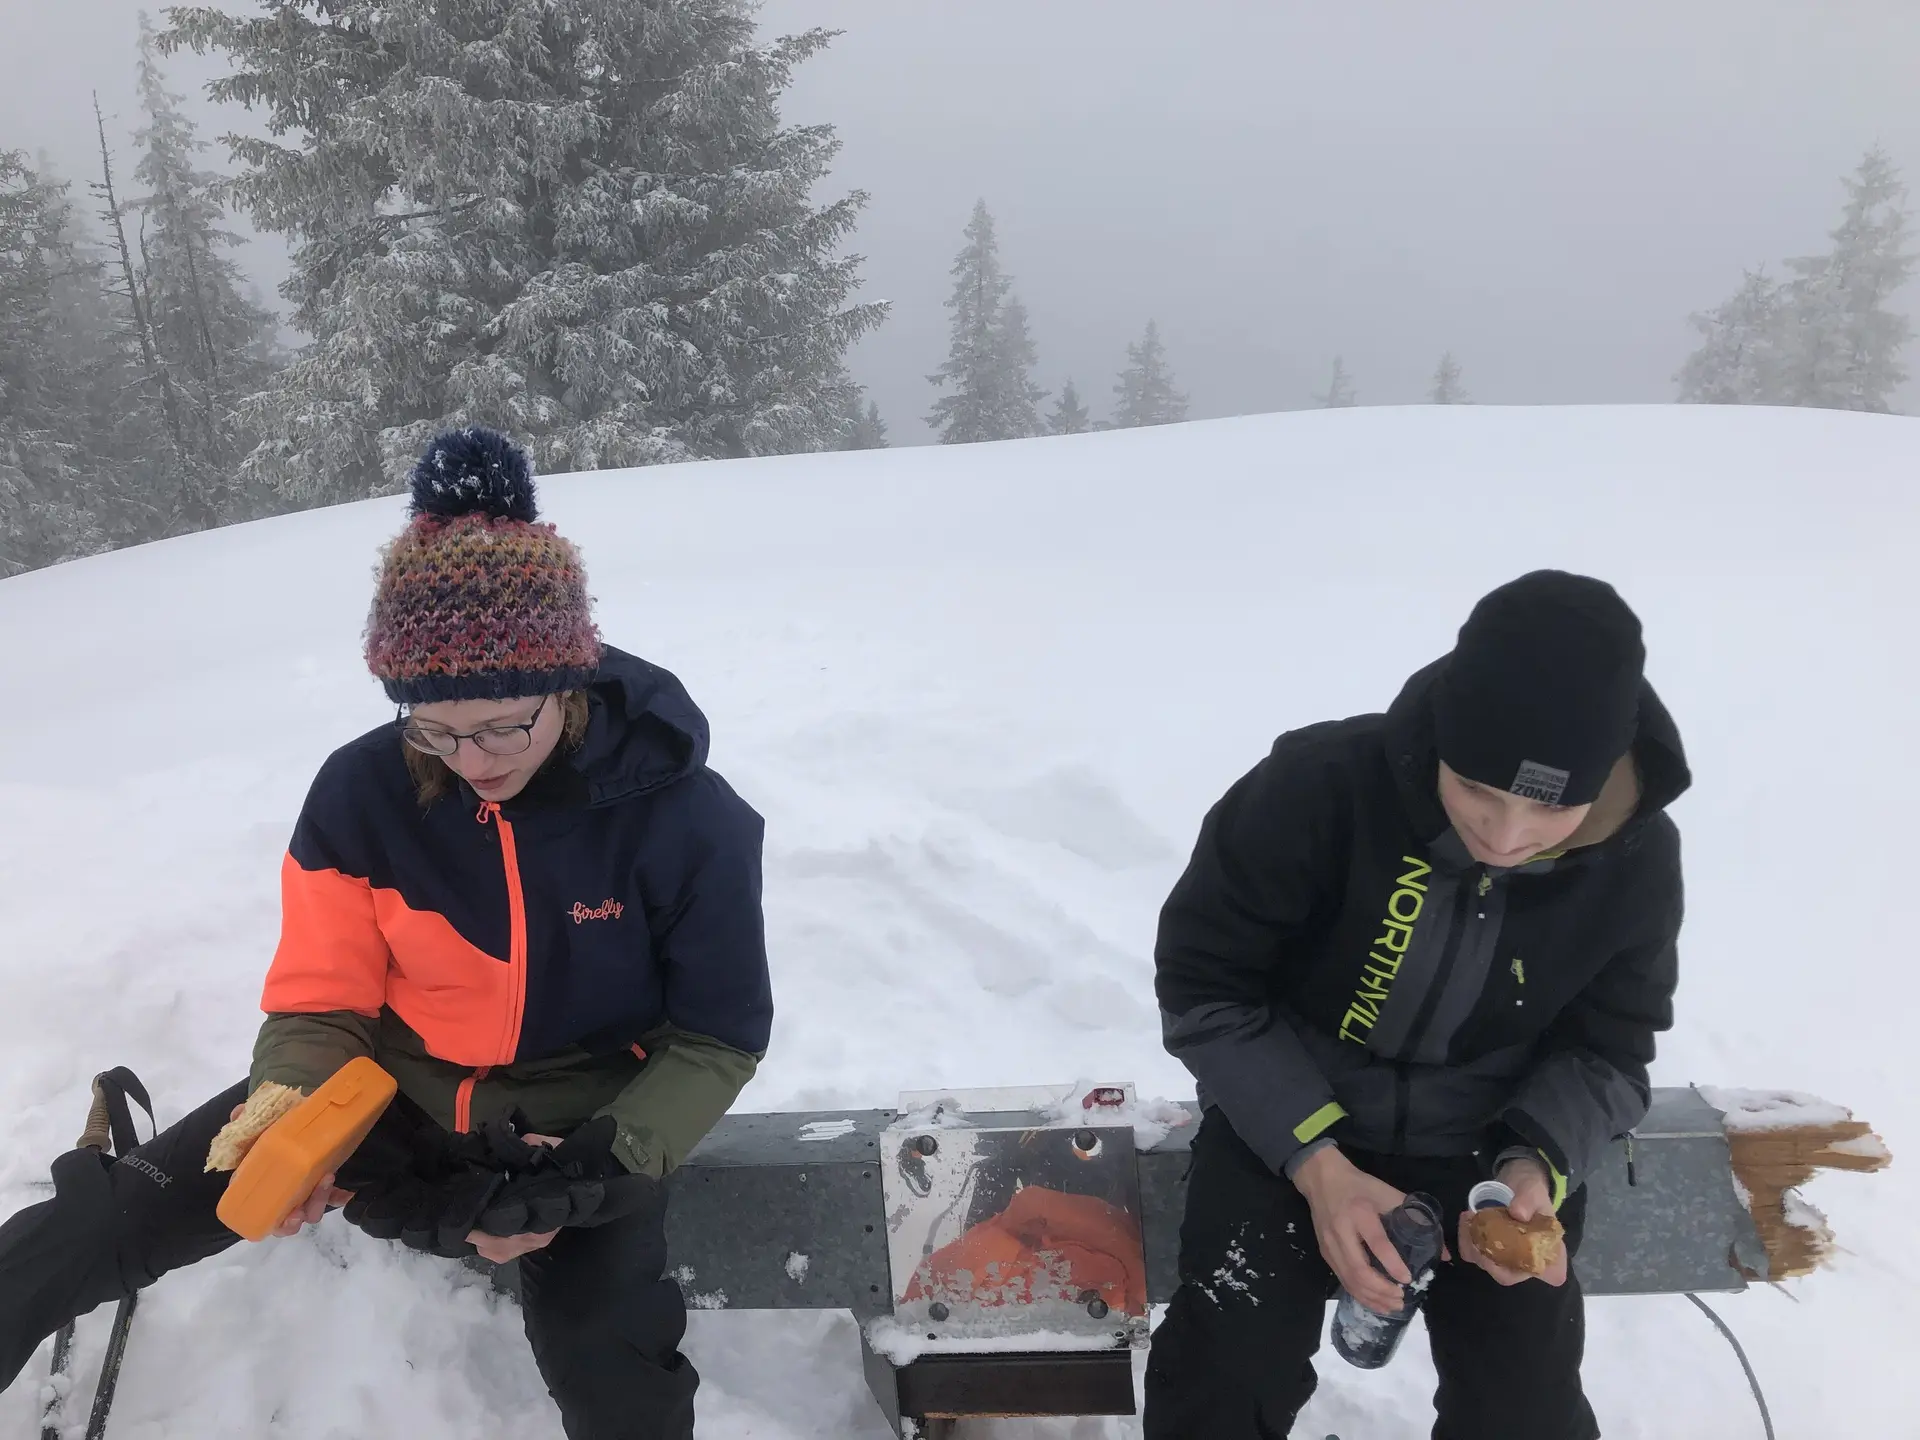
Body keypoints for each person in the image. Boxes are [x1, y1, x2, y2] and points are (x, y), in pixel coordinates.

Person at [0, 428, 774, 1440]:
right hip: (393, 1094)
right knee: (106, 1218)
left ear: (568, 684)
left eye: (503, 725)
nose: (472, 759)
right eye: (434, 728)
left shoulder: (687, 818)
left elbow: (718, 1035)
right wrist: (290, 1110)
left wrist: (603, 1160)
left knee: (610, 1353)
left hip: (580, 1121)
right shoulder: (359, 795)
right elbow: (325, 995)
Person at [1144, 571, 1688, 1440]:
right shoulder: (1316, 789)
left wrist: (1531, 1170)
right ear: (1442, 735)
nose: (1506, 837)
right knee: (1225, 1365)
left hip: (1492, 1142)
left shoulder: (1636, 862)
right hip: (1291, 1122)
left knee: (1526, 1405)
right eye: (1478, 789)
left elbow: (1610, 1049)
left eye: (1552, 806)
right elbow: (1208, 988)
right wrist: (1317, 1165)